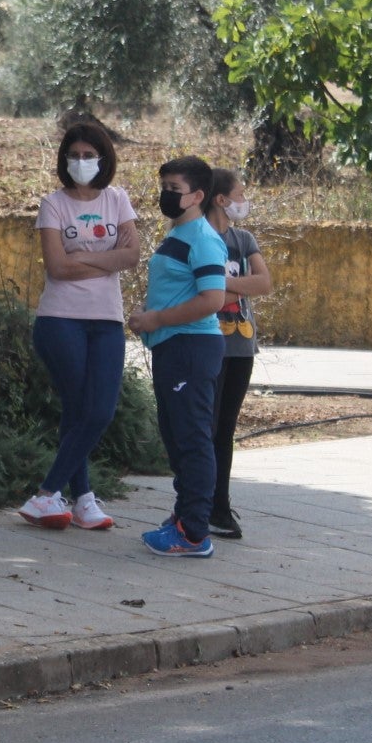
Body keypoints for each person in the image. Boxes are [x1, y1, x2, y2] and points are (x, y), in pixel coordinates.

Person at [17, 121, 141, 531]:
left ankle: (64, 495)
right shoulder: (53, 205)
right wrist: (106, 258)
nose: (82, 162)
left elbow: (132, 256)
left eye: (90, 156)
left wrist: (81, 259)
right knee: (82, 408)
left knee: (95, 410)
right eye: (75, 155)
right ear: (64, 159)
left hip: (107, 321)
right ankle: (69, 498)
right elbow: (57, 267)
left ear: (103, 159)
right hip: (60, 320)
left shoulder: (118, 199)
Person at [127, 155, 228, 558]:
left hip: (190, 347)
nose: (165, 195)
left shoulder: (203, 239)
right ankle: (185, 517)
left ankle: (193, 533)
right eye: (163, 187)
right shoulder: (179, 235)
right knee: (177, 436)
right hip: (175, 347)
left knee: (191, 438)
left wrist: (155, 319)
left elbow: (213, 299)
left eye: (174, 189)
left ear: (198, 196)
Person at [205, 168, 272, 540]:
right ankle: (197, 503)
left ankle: (220, 505)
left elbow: (264, 281)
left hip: (241, 344)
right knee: (206, 427)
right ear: (220, 199)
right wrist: (232, 289)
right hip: (208, 342)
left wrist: (221, 287)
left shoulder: (243, 238)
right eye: (240, 194)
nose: (244, 201)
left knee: (225, 429)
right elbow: (198, 292)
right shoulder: (196, 238)